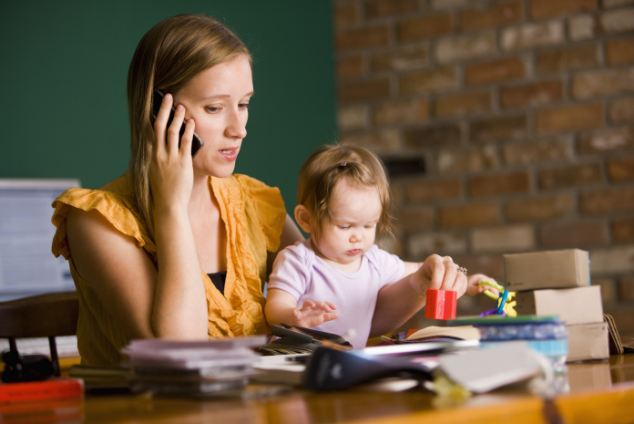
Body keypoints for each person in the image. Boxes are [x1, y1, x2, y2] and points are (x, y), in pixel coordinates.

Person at [51, 14, 303, 366]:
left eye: (243, 104)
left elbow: (332, 289)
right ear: (159, 111)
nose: (239, 129)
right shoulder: (97, 221)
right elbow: (180, 354)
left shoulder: (253, 201)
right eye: (215, 108)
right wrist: (171, 206)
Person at [265, 144, 488, 348]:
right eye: (345, 226)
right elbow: (274, 309)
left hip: (347, 360)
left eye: (368, 225)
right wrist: (294, 315)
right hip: (295, 359)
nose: (358, 237)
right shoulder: (299, 260)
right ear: (306, 219)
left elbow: (426, 271)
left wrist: (464, 281)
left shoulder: (374, 260)